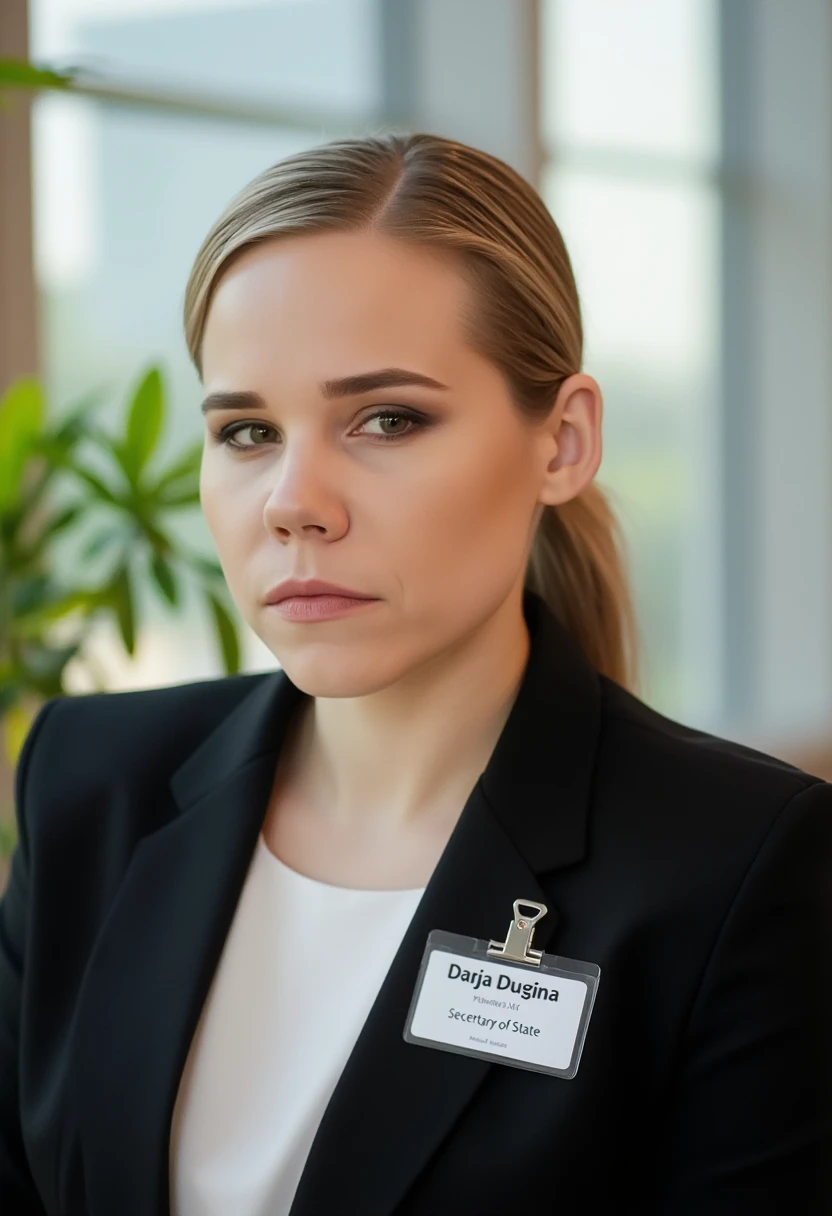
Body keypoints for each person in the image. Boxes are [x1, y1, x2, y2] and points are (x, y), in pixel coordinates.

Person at [1, 132, 830, 1216]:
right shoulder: (91, 782)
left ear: (562, 441)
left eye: (386, 419)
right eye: (247, 430)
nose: (295, 501)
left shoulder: (736, 870)